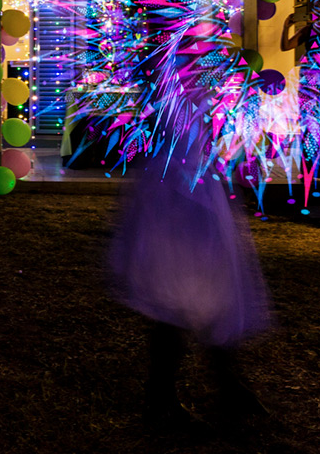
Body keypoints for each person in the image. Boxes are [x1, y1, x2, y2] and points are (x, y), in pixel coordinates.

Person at [111, 137, 273, 429]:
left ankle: (221, 388)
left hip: (194, 190)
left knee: (207, 296)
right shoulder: (178, 107)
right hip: (179, 195)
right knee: (184, 297)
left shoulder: (203, 107)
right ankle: (164, 401)